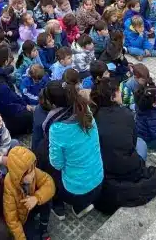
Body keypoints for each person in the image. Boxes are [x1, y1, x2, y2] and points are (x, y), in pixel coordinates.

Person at [91, 78, 156, 213]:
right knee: (141, 144)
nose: (121, 94)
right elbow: (133, 143)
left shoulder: (92, 116)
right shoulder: (126, 114)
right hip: (125, 167)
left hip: (104, 168)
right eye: (118, 92)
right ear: (112, 97)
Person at [44, 81, 103, 219]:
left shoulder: (56, 128)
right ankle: (80, 207)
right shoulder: (85, 109)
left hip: (77, 190)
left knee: (44, 162)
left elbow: (57, 164)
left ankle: (57, 205)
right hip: (98, 179)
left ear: (53, 104)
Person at [2, 146, 55, 240]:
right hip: (23, 218)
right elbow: (12, 220)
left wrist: (36, 198)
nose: (33, 174)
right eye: (29, 173)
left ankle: (43, 227)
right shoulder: (9, 187)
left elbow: (49, 182)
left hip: (32, 205)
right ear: (20, 176)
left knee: (46, 198)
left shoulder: (32, 170)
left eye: (33, 169)